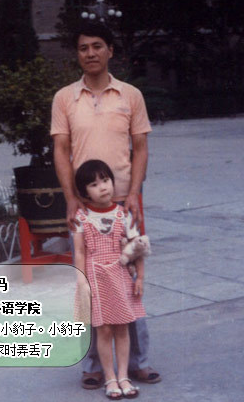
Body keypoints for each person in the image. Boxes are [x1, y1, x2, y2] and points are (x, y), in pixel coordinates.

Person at [51, 22, 161, 388]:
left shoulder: (130, 95)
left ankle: (139, 363)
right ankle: (94, 368)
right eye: (84, 48)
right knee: (90, 284)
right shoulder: (65, 98)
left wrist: (133, 193)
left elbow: (140, 147)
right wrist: (70, 199)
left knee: (130, 283)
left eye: (98, 46)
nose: (91, 53)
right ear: (77, 54)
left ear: (110, 50)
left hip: (125, 206)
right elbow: (61, 150)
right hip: (84, 209)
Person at [74, 159, 145, 399]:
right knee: (103, 330)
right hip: (95, 278)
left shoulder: (123, 214)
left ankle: (124, 375)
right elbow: (80, 252)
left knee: (122, 327)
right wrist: (82, 282)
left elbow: (138, 248)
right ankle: (110, 378)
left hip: (120, 277)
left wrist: (140, 278)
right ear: (85, 192)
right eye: (94, 184)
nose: (102, 187)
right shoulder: (81, 218)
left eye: (105, 180)